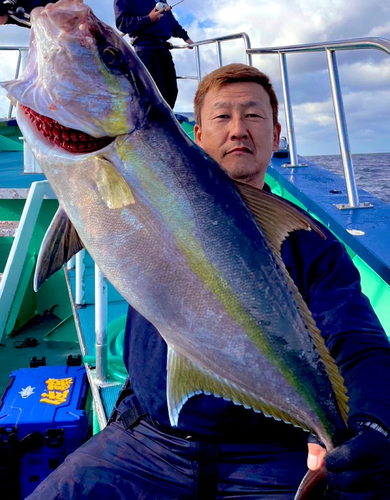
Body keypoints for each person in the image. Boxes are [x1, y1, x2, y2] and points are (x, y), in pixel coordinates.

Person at [27, 64, 390, 499]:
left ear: (276, 137)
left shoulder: (308, 240)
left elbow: (358, 338)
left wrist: (373, 421)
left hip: (270, 456)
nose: (238, 130)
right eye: (222, 117)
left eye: (253, 116)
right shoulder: (134, 189)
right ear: (196, 137)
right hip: (145, 443)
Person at [114, 0, 194, 108]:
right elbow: (122, 23)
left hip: (163, 50)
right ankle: (153, 123)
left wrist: (186, 37)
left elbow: (171, 21)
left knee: (171, 92)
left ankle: (166, 122)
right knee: (152, 96)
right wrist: (148, 19)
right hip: (144, 52)